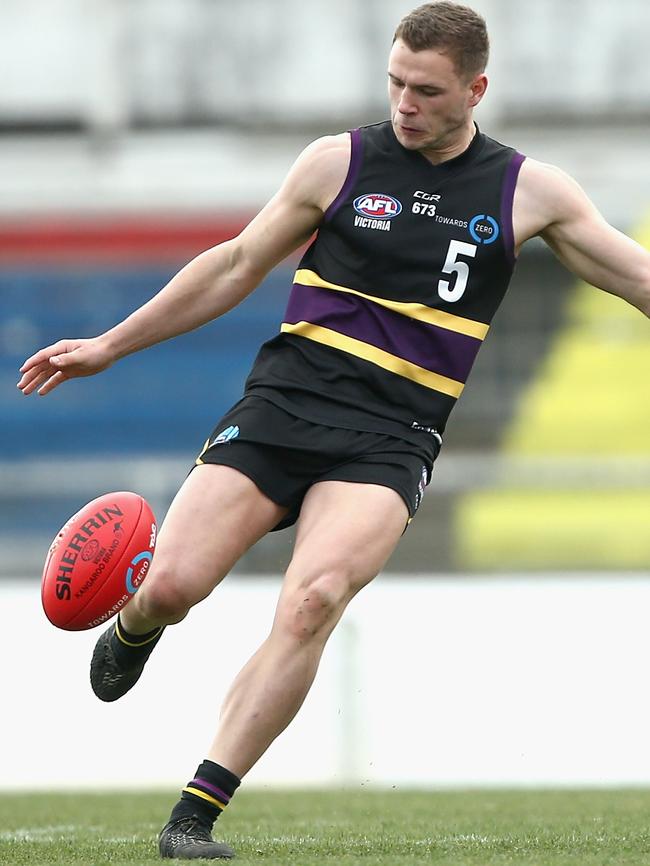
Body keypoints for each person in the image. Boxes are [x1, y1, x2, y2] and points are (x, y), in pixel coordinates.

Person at [18, 1, 650, 860]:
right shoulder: (339, 162)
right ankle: (136, 626)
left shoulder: (526, 192)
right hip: (283, 407)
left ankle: (193, 818)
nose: (405, 103)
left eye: (427, 90)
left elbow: (633, 274)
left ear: (477, 89)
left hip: (392, 437)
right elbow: (237, 264)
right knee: (172, 584)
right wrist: (110, 345)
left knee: (312, 601)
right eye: (394, 82)